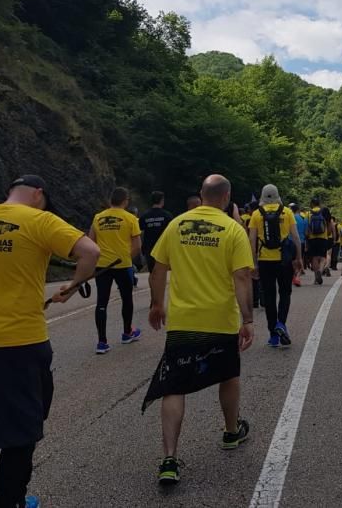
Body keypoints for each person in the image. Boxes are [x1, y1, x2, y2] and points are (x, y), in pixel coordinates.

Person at [0, 174, 100, 508]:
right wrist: (71, 287)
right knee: (23, 426)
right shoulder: (39, 219)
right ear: (38, 194)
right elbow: (90, 251)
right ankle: (10, 499)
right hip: (22, 341)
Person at [143, 175, 255, 486]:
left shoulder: (177, 224)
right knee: (228, 375)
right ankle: (231, 432)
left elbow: (157, 269)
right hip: (220, 319)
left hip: (183, 319)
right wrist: (247, 320)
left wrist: (156, 305)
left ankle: (169, 458)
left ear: (200, 195)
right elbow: (243, 277)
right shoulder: (233, 229)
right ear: (227, 197)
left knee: (174, 386)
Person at [89, 187, 142, 354]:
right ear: (125, 201)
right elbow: (138, 245)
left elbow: (90, 242)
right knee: (126, 299)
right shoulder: (130, 218)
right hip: (122, 264)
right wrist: (128, 257)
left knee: (101, 302)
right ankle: (127, 332)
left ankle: (102, 342)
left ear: (110, 200)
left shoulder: (98, 218)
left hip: (102, 265)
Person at [248, 186, 302, 348]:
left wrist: (254, 263)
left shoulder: (257, 214)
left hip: (265, 260)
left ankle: (273, 335)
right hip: (284, 260)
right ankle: (281, 324)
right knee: (285, 293)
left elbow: (251, 241)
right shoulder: (287, 212)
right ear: (278, 196)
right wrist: (298, 257)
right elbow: (296, 237)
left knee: (270, 296)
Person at [139, 191, 173, 277]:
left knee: (152, 273)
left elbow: (140, 233)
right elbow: (171, 234)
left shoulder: (144, 216)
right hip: (163, 249)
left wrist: (142, 248)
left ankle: (153, 290)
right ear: (162, 200)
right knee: (161, 274)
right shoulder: (167, 216)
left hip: (149, 249)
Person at [305, 198, 332, 285]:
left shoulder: (308, 213)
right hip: (323, 238)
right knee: (323, 257)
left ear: (312, 204)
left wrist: (307, 236)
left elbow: (307, 227)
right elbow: (329, 224)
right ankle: (320, 271)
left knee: (314, 257)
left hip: (312, 238)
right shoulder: (324, 212)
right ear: (319, 204)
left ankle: (316, 274)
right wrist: (328, 233)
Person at [289, 203, 307, 288]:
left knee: (292, 261)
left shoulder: (290, 217)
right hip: (302, 241)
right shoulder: (302, 218)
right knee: (300, 258)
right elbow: (305, 231)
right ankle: (298, 277)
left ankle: (294, 276)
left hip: (291, 241)